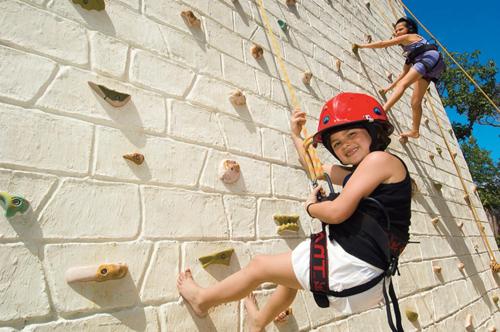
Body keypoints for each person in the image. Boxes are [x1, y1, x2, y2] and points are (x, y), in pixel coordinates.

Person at [177, 93, 411, 332]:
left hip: (352, 270)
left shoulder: (379, 160)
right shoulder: (362, 171)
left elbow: (337, 212)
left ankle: (202, 300)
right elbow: (315, 168)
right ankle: (258, 322)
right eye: (337, 143)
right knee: (288, 278)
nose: (345, 144)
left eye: (352, 134)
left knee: (260, 266)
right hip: (369, 278)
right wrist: (296, 135)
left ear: (373, 133)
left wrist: (312, 207)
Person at [354, 17, 445, 141]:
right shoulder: (411, 54)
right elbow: (403, 73)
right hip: (434, 67)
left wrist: (362, 46)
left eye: (400, 29)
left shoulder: (410, 37)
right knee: (415, 102)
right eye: (396, 31)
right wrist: (388, 88)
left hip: (429, 58)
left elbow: (382, 44)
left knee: (403, 85)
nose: (397, 33)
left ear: (410, 29)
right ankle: (415, 131)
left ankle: (382, 111)